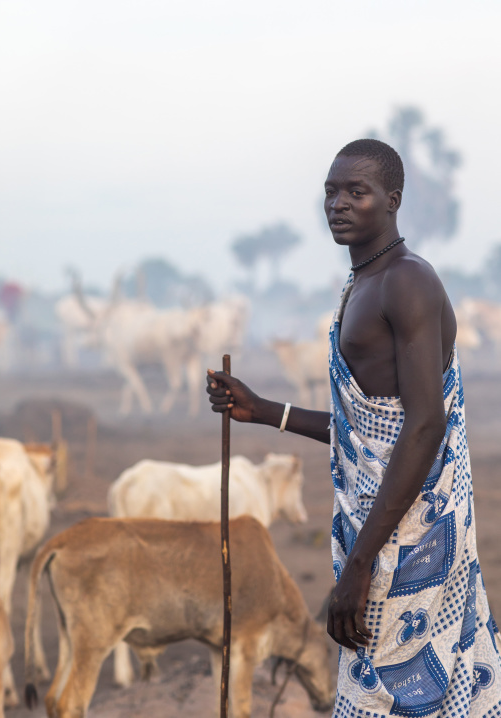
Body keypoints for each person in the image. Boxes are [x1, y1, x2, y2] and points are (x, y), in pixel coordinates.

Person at [207, 139, 501, 715]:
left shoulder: (407, 282)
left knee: (394, 687)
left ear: (391, 202)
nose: (338, 204)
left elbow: (423, 429)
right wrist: (265, 410)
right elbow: (372, 431)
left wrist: (361, 564)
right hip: (381, 524)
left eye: (356, 192)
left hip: (412, 535)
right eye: (331, 191)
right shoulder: (363, 283)